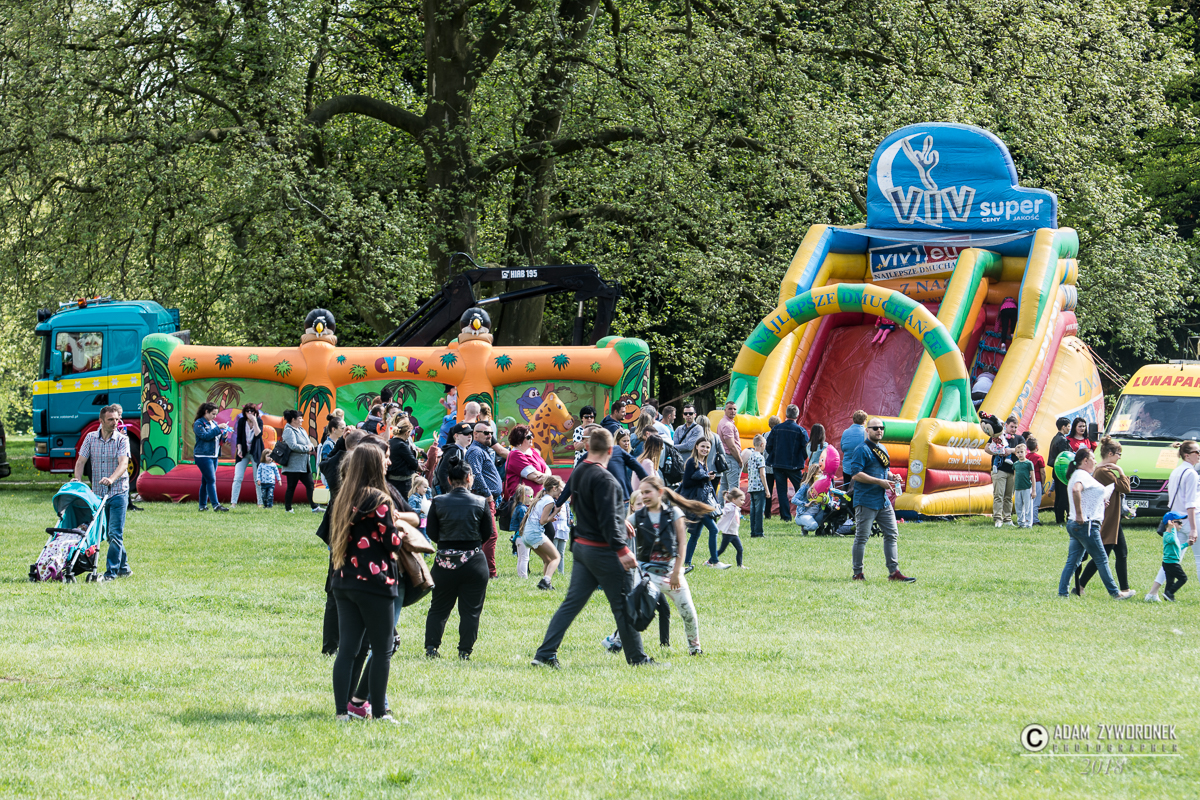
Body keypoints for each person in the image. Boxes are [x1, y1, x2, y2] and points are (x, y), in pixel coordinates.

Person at [532, 428, 658, 669]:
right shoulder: (607, 480)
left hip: (582, 548)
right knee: (623, 606)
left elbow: (591, 508)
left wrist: (619, 520)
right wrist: (622, 550)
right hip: (604, 551)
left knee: (570, 605)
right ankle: (638, 659)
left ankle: (545, 654)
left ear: (588, 447)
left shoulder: (579, 470)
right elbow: (607, 518)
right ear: (611, 450)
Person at [328, 445, 404, 723]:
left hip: (344, 580)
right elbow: (392, 542)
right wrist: (401, 530)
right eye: (383, 460)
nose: (387, 463)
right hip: (375, 581)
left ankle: (342, 712)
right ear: (374, 464)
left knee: (347, 650)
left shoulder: (343, 497)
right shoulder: (380, 499)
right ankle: (380, 713)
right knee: (383, 649)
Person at [625, 476, 709, 655]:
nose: (644, 496)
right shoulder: (639, 516)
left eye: (648, 492)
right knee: (637, 612)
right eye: (642, 493)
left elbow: (682, 543)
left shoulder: (674, 513)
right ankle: (616, 642)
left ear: (660, 492)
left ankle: (695, 648)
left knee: (688, 612)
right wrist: (621, 524)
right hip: (646, 574)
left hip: (671, 573)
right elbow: (620, 528)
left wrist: (677, 572)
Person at [424, 454, 494, 660]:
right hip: (474, 561)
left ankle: (431, 648)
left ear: (449, 480)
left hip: (444, 562)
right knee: (471, 610)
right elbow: (487, 533)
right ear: (469, 478)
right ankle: (464, 651)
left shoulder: (438, 501)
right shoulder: (480, 502)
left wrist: (447, 545)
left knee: (438, 608)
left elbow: (432, 532)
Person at [1057, 448, 1137, 600]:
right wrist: (1080, 514)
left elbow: (1086, 495)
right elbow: (1076, 490)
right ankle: (1116, 593)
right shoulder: (1082, 475)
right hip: (1087, 524)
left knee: (1073, 562)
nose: (1095, 461)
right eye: (1092, 458)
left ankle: (1063, 593)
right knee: (1101, 559)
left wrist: (1100, 502)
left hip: (1076, 524)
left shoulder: (1079, 474)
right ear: (1085, 461)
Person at [847, 417, 914, 582]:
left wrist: (892, 476)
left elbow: (885, 470)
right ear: (867, 430)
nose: (879, 431)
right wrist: (879, 481)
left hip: (882, 500)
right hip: (866, 500)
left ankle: (894, 572)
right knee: (862, 538)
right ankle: (858, 573)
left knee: (892, 534)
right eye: (875, 428)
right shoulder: (861, 449)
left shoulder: (882, 448)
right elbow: (856, 474)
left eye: (881, 428)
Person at [74, 404, 132, 580]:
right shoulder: (90, 438)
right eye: (110, 420)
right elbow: (81, 462)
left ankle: (111, 573)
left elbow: (123, 464)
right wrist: (77, 480)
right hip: (98, 494)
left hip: (118, 491)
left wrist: (112, 479)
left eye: (117, 419)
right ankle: (124, 568)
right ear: (101, 421)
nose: (115, 423)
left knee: (114, 533)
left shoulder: (122, 440)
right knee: (107, 535)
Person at [1074, 437, 1130, 596]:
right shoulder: (1104, 472)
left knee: (1121, 553)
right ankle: (1080, 586)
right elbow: (1125, 487)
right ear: (1110, 454)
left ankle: (1125, 588)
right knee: (1102, 555)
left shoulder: (1102, 470)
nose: (1119, 457)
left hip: (1113, 519)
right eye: (1118, 454)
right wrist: (1120, 471)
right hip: (1108, 519)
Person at [1145, 441, 1200, 602]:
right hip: (1191, 519)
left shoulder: (1176, 471)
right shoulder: (1191, 473)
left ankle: (1152, 592)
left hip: (1176, 521)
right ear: (1187, 455)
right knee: (1198, 558)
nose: (1199, 455)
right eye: (1197, 452)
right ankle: (1153, 593)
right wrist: (1194, 528)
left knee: (1172, 560)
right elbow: (1191, 503)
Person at [680, 438, 729, 569]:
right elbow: (686, 483)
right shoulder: (692, 462)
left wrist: (707, 477)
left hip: (701, 502)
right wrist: (706, 477)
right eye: (702, 446)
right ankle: (714, 561)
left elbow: (706, 485)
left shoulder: (703, 463)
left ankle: (687, 563)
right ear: (696, 446)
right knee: (714, 529)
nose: (705, 449)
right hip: (697, 503)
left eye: (707, 447)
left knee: (695, 534)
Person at [466, 422, 503, 578]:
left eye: (491, 433)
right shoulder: (475, 451)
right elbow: (476, 474)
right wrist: (488, 494)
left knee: (483, 535)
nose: (489, 436)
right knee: (491, 535)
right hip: (484, 498)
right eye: (486, 433)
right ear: (475, 434)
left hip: (487, 498)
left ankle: (478, 569)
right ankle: (489, 572)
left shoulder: (481, 450)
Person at [765, 404, 808, 523]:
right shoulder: (800, 430)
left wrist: (775, 455)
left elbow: (768, 446)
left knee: (782, 491)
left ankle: (785, 516)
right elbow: (806, 448)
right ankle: (803, 513)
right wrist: (803, 458)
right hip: (795, 465)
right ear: (797, 415)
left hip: (778, 464)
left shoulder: (776, 429)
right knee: (801, 489)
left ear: (786, 414)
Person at [521, 477, 565, 589]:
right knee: (556, 557)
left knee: (548, 560)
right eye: (560, 489)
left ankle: (546, 585)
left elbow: (541, 518)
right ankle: (546, 581)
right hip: (535, 533)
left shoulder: (543, 498)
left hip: (527, 535)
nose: (561, 492)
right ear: (554, 488)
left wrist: (550, 518)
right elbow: (542, 521)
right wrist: (555, 512)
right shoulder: (550, 501)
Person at [986, 415, 1024, 528]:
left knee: (1008, 496)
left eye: (1015, 427)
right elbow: (987, 448)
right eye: (1011, 426)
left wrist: (1010, 450)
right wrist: (998, 451)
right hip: (999, 469)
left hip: (1013, 471)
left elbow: (1023, 449)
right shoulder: (997, 435)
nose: (1013, 429)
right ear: (1006, 425)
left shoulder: (1019, 438)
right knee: (999, 495)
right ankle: (998, 518)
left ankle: (1007, 518)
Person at [193, 403, 230, 513]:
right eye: (213, 414)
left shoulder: (213, 423)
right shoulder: (199, 423)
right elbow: (205, 436)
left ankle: (202, 506)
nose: (215, 416)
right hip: (203, 456)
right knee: (211, 480)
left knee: (206, 481)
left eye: (216, 414)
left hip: (214, 456)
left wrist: (224, 436)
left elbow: (217, 440)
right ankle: (216, 505)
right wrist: (218, 428)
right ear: (206, 412)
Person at [282, 409, 320, 513]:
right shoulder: (288, 430)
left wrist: (311, 447)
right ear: (293, 419)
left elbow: (309, 442)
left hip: (304, 464)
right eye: (300, 418)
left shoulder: (302, 430)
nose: (302, 420)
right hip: (293, 465)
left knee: (310, 485)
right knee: (291, 487)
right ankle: (288, 509)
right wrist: (307, 448)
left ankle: (315, 507)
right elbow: (293, 446)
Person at [504, 424, 551, 501]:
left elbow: (547, 468)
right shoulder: (515, 455)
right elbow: (535, 477)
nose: (532, 438)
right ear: (519, 440)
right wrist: (548, 478)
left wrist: (546, 477)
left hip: (539, 499)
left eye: (531, 435)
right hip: (524, 501)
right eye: (528, 437)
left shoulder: (532, 451)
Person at [230, 403, 264, 508]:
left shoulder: (259, 421)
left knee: (257, 479)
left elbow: (258, 434)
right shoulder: (241, 421)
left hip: (255, 453)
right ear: (244, 412)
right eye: (247, 411)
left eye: (251, 411)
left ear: (255, 412)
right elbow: (239, 437)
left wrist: (254, 421)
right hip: (244, 452)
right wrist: (239, 449)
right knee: (237, 478)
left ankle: (260, 503)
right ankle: (233, 503)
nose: (249, 412)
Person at [1160, 514, 1192, 601]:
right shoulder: (1167, 535)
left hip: (1170, 563)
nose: (1182, 524)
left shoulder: (1172, 535)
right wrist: (1173, 528)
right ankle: (1170, 593)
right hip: (1171, 563)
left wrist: (1186, 544)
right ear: (1172, 523)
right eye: (1180, 522)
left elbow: (1177, 547)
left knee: (1170, 581)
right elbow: (1173, 540)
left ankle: (1167, 596)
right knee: (1183, 578)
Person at [386, 417, 420, 499]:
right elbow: (414, 464)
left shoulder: (389, 442)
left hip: (391, 482)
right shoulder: (402, 445)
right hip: (403, 484)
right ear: (407, 433)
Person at [741, 435, 767, 538]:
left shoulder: (750, 456)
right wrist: (767, 489)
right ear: (762, 444)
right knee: (759, 511)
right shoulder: (760, 457)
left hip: (751, 487)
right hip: (759, 487)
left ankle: (753, 531)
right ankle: (759, 532)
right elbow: (762, 474)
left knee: (753, 511)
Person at [1047, 417, 1072, 524]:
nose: (1069, 429)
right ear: (1063, 427)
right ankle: (1062, 518)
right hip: (1062, 472)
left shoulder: (1055, 438)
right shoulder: (1062, 440)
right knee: (1064, 496)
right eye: (1068, 426)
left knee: (1059, 496)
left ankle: (1059, 518)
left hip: (1057, 471)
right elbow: (1065, 456)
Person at [717, 401, 743, 497]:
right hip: (731, 458)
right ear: (725, 410)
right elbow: (731, 446)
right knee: (734, 488)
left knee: (724, 486)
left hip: (725, 458)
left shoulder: (724, 422)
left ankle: (721, 506)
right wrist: (739, 460)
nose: (733, 411)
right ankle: (733, 506)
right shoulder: (727, 425)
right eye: (730, 409)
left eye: (734, 409)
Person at [716, 488, 746, 568]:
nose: (743, 502)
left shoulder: (736, 508)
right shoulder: (730, 506)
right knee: (722, 549)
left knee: (740, 549)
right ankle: (710, 561)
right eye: (741, 500)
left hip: (734, 533)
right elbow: (724, 511)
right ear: (734, 499)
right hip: (728, 533)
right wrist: (720, 512)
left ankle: (740, 565)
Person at [511, 484, 534, 576]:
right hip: (523, 537)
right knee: (525, 558)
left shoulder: (518, 507)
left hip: (518, 537)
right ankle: (524, 576)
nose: (532, 499)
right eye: (530, 496)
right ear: (523, 496)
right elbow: (524, 523)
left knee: (520, 558)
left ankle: (520, 575)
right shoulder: (523, 509)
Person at [840, 410, 868, 487]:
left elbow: (842, 448)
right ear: (864, 421)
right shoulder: (866, 433)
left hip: (847, 468)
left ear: (853, 420)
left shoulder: (845, 432)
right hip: (861, 469)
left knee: (847, 489)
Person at [1012, 443, 1035, 528]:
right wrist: (1013, 488)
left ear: (1026, 452)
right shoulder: (1015, 464)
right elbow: (1014, 476)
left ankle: (1028, 523)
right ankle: (1021, 523)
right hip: (1018, 488)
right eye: (1018, 452)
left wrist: (1034, 490)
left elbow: (1033, 477)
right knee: (1018, 506)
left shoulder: (1029, 463)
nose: (1020, 454)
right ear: (1016, 454)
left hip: (1026, 487)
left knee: (1028, 506)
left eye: (1022, 452)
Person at [1025, 435, 1046, 526]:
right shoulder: (1039, 458)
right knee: (1036, 502)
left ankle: (1027, 518)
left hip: (1027, 481)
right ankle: (1035, 520)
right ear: (1036, 446)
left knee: (1027, 501)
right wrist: (1043, 483)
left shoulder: (1025, 457)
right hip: (1037, 481)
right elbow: (1042, 472)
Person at [764, 415, 781, 518]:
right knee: (781, 490)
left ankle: (767, 513)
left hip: (767, 467)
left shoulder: (764, 435)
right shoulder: (780, 436)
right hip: (778, 466)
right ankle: (782, 511)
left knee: (768, 490)